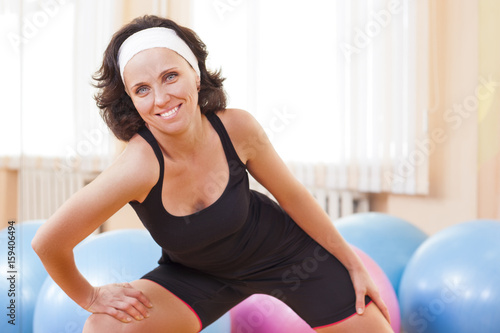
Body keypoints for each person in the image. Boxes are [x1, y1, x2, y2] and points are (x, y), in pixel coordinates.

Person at [32, 15, 393, 333]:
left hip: (287, 256)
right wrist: (90, 297)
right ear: (130, 99)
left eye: (170, 76)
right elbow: (48, 242)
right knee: (107, 328)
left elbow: (293, 196)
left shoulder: (237, 128)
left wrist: (351, 263)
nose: (160, 99)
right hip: (196, 275)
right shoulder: (137, 167)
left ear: (196, 75)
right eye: (142, 89)